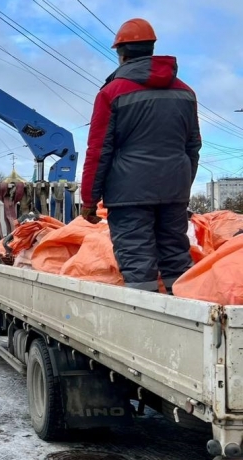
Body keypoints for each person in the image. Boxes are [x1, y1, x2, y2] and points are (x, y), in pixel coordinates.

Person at [80, 18, 200, 294]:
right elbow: (193, 146)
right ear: (152, 48)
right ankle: (185, 319)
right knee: (176, 257)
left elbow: (99, 151)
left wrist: (89, 200)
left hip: (128, 196)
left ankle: (146, 328)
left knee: (137, 262)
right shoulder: (186, 93)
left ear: (120, 53)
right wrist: (181, 183)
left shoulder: (112, 93)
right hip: (174, 191)